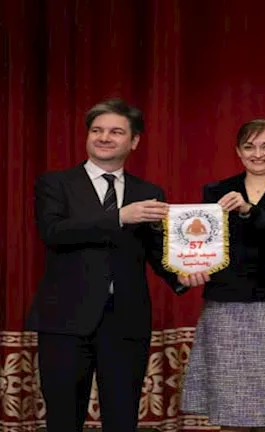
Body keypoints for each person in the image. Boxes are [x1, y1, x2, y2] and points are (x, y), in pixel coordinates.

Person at [26, 98, 200, 432]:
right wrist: (119, 216)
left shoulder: (148, 191)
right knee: (63, 419)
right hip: (65, 320)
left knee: (122, 419)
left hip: (126, 320)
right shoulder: (55, 184)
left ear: (134, 141)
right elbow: (54, 232)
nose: (104, 137)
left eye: (116, 132)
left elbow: (156, 251)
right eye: (97, 130)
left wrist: (183, 273)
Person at [181, 119, 265, 432]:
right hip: (226, 300)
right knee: (229, 402)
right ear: (238, 151)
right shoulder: (216, 191)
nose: (258, 154)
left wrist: (249, 210)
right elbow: (201, 241)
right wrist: (189, 265)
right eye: (249, 147)